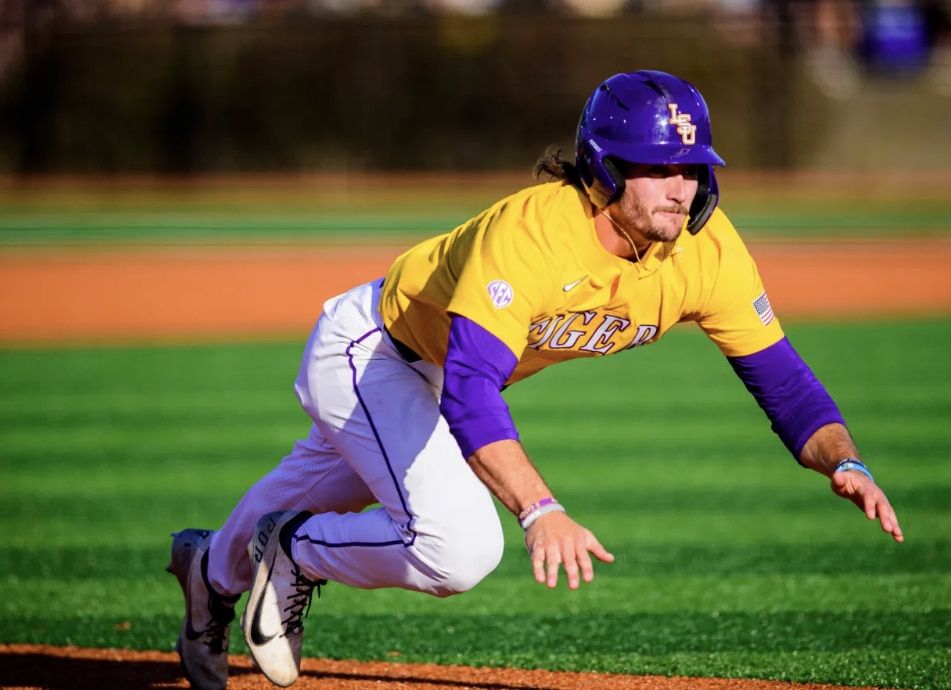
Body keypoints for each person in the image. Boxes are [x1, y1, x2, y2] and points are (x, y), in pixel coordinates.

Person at [167, 69, 904, 690]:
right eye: (657, 167)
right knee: (459, 549)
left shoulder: (707, 252)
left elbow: (781, 380)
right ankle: (294, 550)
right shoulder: (534, 234)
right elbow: (469, 391)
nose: (680, 187)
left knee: (330, 487)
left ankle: (211, 571)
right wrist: (538, 507)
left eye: (691, 166)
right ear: (606, 168)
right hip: (374, 353)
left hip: (428, 371)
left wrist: (845, 459)